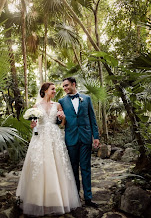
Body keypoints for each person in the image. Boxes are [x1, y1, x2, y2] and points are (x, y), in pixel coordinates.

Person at [16, 82, 81, 217]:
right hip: (40, 138)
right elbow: (33, 125)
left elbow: (62, 124)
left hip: (55, 137)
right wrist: (32, 125)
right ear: (45, 90)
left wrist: (62, 118)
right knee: (41, 166)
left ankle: (58, 199)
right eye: (52, 89)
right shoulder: (36, 107)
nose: (54, 91)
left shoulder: (57, 105)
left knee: (58, 166)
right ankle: (38, 199)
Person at [58, 77, 100, 208]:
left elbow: (92, 118)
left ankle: (88, 198)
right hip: (71, 139)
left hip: (86, 137)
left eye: (66, 86)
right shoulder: (61, 101)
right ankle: (75, 196)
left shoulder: (86, 98)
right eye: (63, 87)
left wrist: (96, 136)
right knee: (73, 168)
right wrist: (60, 119)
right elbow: (59, 122)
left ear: (73, 84)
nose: (65, 88)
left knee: (86, 168)